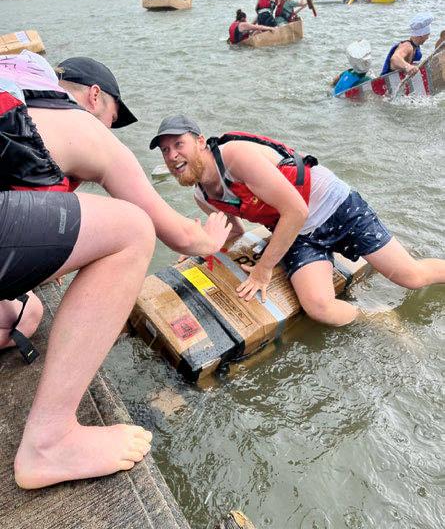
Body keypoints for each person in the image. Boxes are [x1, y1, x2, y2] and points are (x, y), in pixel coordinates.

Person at [0, 52, 232, 489]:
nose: (109, 128)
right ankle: (48, 442)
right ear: (94, 96)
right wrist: (212, 240)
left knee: (25, 316)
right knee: (132, 230)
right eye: (112, 116)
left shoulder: (21, 100)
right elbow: (178, 235)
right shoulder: (81, 125)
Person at [149, 114, 445, 328]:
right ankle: (381, 318)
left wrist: (263, 270)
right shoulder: (202, 196)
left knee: (411, 278)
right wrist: (200, 247)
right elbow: (234, 232)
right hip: (298, 235)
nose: (172, 155)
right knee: (319, 308)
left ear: (200, 141)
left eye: (178, 144)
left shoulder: (236, 156)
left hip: (335, 208)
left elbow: (296, 211)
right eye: (165, 150)